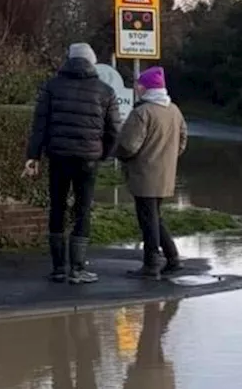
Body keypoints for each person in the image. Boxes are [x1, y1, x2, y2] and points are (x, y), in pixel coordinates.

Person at [24, 43, 121, 284]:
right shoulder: (105, 91)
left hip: (58, 156)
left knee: (57, 207)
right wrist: (102, 154)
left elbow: (40, 125)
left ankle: (58, 268)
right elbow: (114, 131)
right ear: (92, 61)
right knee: (83, 209)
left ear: (69, 59)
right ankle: (78, 269)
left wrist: (33, 156)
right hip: (88, 159)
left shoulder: (51, 86)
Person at [115, 66, 187, 279]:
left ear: (147, 88)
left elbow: (128, 145)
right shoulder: (174, 110)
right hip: (165, 173)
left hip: (144, 172)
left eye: (139, 84)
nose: (136, 88)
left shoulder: (142, 112)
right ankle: (172, 258)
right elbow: (183, 140)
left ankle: (151, 264)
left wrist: (120, 155)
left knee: (147, 219)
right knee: (155, 216)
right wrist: (170, 157)